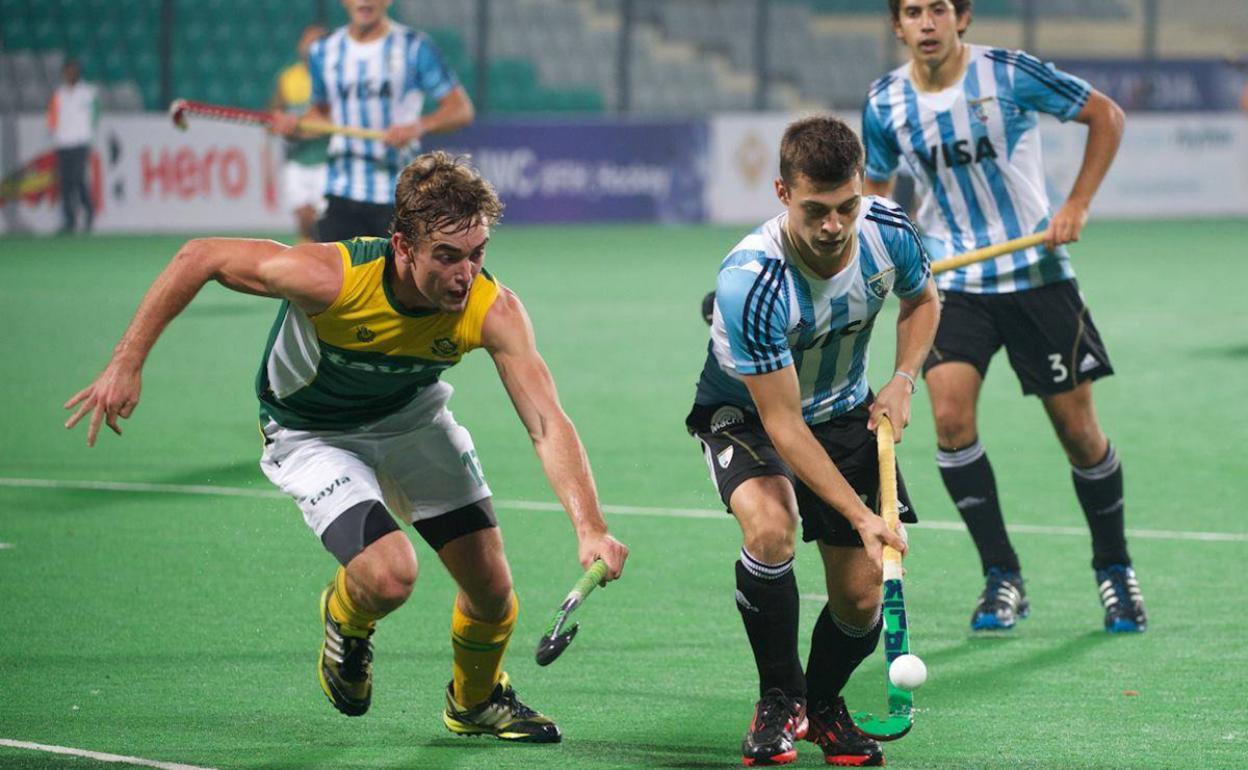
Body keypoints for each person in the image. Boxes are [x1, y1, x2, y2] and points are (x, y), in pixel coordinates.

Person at [64, 151, 629, 742]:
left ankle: (475, 702)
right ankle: (346, 617)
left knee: (490, 589)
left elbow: (546, 423)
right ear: (403, 246)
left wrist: (589, 527)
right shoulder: (331, 278)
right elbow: (199, 256)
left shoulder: (493, 310)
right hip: (311, 431)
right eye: (447, 256)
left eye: (477, 254)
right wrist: (126, 363)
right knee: (390, 577)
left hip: (411, 419)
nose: (465, 275)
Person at [862, 0, 1146, 633]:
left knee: (1079, 433)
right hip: (949, 282)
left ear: (962, 18)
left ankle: (1115, 568)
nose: (927, 23)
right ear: (898, 26)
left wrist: (1077, 203)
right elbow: (875, 199)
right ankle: (1002, 576)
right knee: (951, 421)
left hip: (1036, 275)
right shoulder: (884, 103)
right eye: (913, 12)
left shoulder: (1008, 73)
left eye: (939, 9)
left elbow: (1106, 114)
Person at [686, 116, 939, 767]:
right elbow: (785, 425)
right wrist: (860, 515)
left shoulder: (890, 231)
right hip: (748, 415)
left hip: (846, 409)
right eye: (815, 210)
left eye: (846, 207)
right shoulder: (752, 280)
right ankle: (779, 699)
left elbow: (922, 301)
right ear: (782, 193)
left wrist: (903, 379)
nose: (834, 226)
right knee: (771, 527)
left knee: (861, 596)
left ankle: (822, 706)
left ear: (863, 188)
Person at [273, 0, 474, 242]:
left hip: (398, 193)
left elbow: (461, 110)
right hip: (341, 193)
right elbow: (322, 115)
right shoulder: (323, 51)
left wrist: (417, 127)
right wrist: (295, 126)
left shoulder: (414, 46)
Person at [271, 24, 330, 242]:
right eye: (308, 42)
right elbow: (274, 114)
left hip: (327, 161)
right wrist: (280, 125)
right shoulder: (287, 78)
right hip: (297, 159)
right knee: (304, 218)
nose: (311, 47)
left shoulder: (334, 78)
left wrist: (308, 130)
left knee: (321, 222)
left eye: (318, 42)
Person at [47, 57, 98, 235]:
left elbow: (95, 114)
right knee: (65, 182)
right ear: (64, 73)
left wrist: (88, 132)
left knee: (78, 179)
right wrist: (55, 133)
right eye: (68, 71)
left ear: (78, 72)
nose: (71, 74)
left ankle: (89, 213)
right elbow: (52, 117)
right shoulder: (59, 94)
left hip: (80, 141)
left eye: (73, 70)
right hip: (63, 143)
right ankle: (69, 221)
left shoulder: (88, 93)